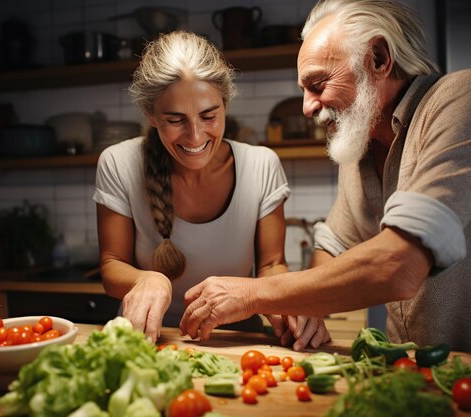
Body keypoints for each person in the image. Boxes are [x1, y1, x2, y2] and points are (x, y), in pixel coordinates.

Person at [179, 0, 471, 356]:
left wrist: (254, 294)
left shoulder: (467, 96)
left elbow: (399, 264)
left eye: (318, 84)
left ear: (378, 58)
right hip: (416, 369)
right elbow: (335, 244)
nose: (308, 107)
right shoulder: (362, 141)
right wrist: (307, 306)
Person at [93, 30, 330, 349]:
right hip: (149, 341)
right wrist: (146, 278)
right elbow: (111, 266)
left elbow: (272, 265)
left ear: (225, 104)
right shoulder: (118, 163)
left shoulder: (261, 165)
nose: (194, 137)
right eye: (175, 119)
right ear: (151, 115)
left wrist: (288, 305)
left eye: (208, 116)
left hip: (238, 341)